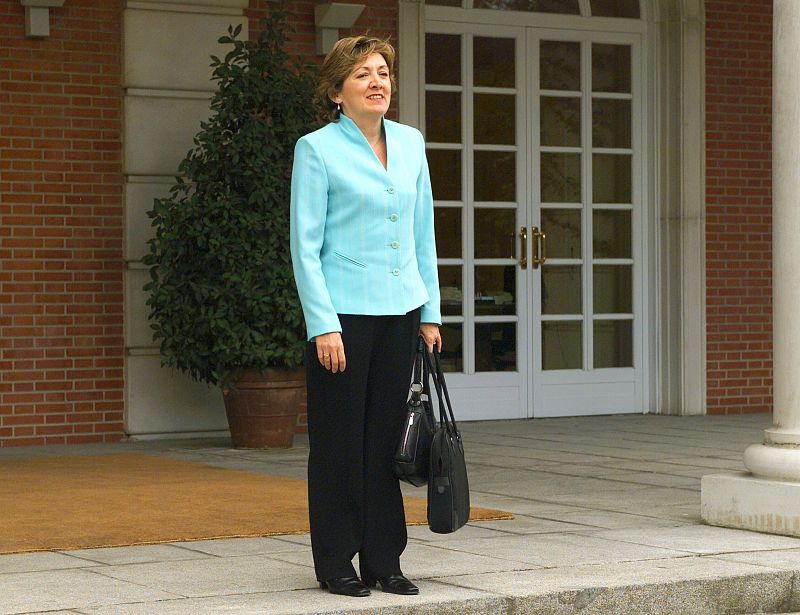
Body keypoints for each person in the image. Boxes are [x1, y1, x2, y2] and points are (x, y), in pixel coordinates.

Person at [289, 35, 442, 598]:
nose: (377, 82)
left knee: (385, 440)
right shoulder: (317, 149)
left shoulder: (410, 143)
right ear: (336, 91)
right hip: (343, 319)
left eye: (383, 72)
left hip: (401, 313)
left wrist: (431, 313)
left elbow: (422, 233)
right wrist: (322, 323)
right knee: (337, 442)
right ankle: (335, 561)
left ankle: (384, 558)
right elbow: (305, 246)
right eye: (362, 75)